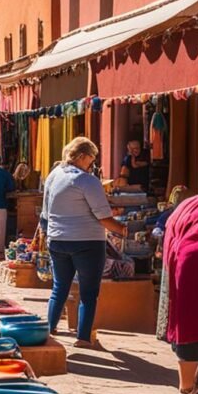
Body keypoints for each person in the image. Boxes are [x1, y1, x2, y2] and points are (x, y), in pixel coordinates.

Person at [41, 137, 128, 349]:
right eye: (91, 159)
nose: (92, 163)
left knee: (59, 287)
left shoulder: (54, 175)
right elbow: (103, 217)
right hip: (87, 242)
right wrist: (122, 230)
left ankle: (49, 328)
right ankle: (82, 337)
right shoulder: (87, 181)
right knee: (88, 293)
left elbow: (45, 212)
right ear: (82, 156)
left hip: (58, 239)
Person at [157, 193, 198, 394]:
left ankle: (186, 388)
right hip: (191, 258)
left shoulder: (187, 206)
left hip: (186, 260)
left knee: (188, 323)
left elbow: (170, 240)